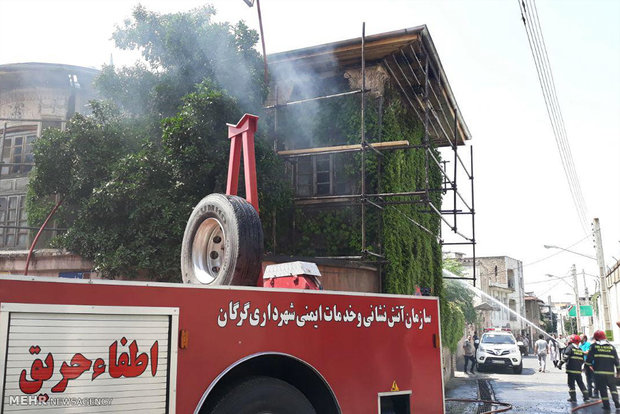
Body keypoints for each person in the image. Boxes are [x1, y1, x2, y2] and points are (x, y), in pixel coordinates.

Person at [586, 330, 619, 411]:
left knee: (603, 390)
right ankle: (617, 404)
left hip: (599, 373)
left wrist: (589, 366)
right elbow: (617, 361)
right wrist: (618, 372)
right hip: (610, 373)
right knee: (613, 389)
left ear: (596, 338)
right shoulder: (611, 347)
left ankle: (606, 406)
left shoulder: (593, 346)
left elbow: (588, 360)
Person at [563, 334, 590, 403]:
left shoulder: (570, 347)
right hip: (578, 370)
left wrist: (560, 364)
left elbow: (565, 357)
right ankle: (586, 397)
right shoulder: (580, 349)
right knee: (581, 383)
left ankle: (573, 398)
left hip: (571, 370)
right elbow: (582, 360)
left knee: (571, 384)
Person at [579, 334, 597, 399]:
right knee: (588, 379)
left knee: (594, 378)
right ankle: (589, 393)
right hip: (586, 364)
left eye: (581, 337)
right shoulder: (580, 345)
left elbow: (588, 352)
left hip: (591, 364)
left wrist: (580, 352)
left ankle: (596, 393)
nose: (579, 337)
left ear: (584, 338)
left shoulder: (588, 344)